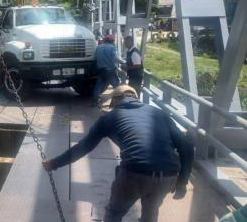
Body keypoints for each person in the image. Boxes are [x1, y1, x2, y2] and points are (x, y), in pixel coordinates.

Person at [43, 85, 194, 222]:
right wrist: (182, 182)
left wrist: (54, 163)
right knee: (151, 213)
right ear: (136, 97)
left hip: (134, 173)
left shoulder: (110, 117)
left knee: (114, 214)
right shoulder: (159, 114)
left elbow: (83, 147)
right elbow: (186, 146)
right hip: (168, 175)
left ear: (114, 101)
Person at [92, 34, 120, 106]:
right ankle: (120, 102)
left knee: (98, 86)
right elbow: (115, 58)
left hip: (101, 70)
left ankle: (95, 101)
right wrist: (122, 62)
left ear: (105, 40)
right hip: (110, 70)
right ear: (112, 41)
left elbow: (95, 58)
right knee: (117, 86)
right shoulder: (112, 48)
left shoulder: (98, 48)